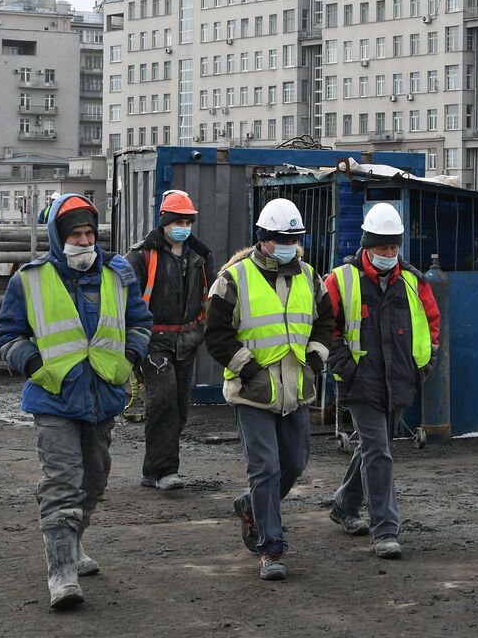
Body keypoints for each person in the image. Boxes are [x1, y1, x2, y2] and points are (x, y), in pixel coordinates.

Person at [0, 194, 153, 611]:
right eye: (75, 235)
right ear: (58, 237)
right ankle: (61, 575)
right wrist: (34, 364)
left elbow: (139, 322)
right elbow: (6, 335)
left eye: (89, 234)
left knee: (93, 482)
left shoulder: (118, 274)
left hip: (103, 394)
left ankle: (73, 544)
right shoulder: (29, 280)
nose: (84, 241)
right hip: (54, 398)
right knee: (63, 483)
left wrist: (129, 358)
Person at [203, 198, 333, 582]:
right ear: (263, 238)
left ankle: (251, 506)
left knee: (294, 464)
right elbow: (217, 334)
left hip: (296, 390)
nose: (290, 245)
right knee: (266, 468)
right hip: (252, 392)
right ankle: (271, 547)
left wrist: (314, 363)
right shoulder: (234, 278)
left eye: (294, 238)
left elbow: (325, 323)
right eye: (282, 238)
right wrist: (249, 370)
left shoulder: (310, 277)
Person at [326, 202, 439, 560]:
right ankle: (386, 529)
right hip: (360, 382)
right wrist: (347, 368)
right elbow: (325, 328)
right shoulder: (341, 280)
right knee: (379, 451)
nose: (389, 254)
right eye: (383, 248)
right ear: (367, 245)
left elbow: (431, 326)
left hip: (399, 380)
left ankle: (344, 505)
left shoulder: (413, 281)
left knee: (373, 447)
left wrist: (424, 366)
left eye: (393, 247)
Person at [125, 190, 212, 491]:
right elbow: (126, 302)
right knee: (162, 403)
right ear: (164, 221)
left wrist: (197, 334)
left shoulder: (200, 257)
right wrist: (134, 342)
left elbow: (208, 298)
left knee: (179, 409)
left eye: (188, 222)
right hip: (154, 342)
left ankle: (153, 470)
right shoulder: (141, 257)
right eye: (178, 222)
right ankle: (165, 471)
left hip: (186, 341)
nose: (183, 227)